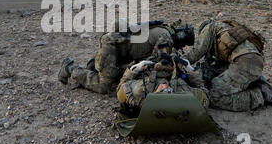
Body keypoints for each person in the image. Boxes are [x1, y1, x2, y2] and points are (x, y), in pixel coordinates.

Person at [58, 20, 195, 94]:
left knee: (122, 74)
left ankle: (97, 66)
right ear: (181, 37)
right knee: (104, 86)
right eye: (183, 44)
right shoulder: (166, 37)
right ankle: (70, 68)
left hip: (121, 49)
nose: (182, 47)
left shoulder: (163, 30)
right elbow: (158, 62)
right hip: (113, 47)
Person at [184, 19, 272, 112]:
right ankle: (255, 82)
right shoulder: (228, 28)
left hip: (244, 63)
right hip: (255, 62)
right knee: (221, 81)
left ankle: (260, 96)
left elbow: (197, 53)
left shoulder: (210, 28)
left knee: (214, 96)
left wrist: (181, 59)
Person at [116, 58, 210, 117]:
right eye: (168, 91)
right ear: (174, 93)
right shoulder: (183, 90)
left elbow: (121, 89)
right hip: (172, 72)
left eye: (161, 91)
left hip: (151, 70)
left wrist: (134, 69)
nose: (164, 87)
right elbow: (204, 94)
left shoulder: (141, 91)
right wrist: (190, 70)